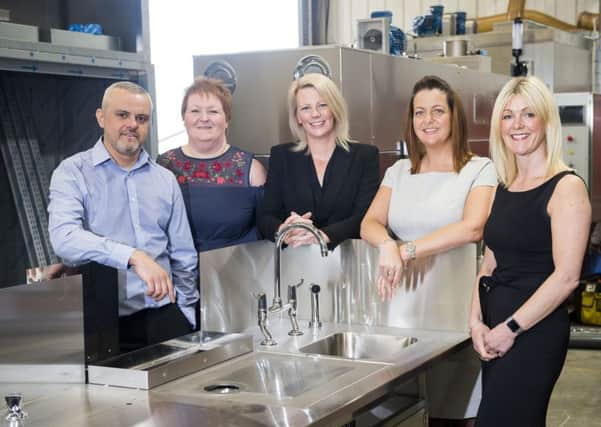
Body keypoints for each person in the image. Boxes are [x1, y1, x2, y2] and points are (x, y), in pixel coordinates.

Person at [361, 75, 497, 426]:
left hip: (455, 306)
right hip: (402, 309)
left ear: (455, 117)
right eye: (419, 112)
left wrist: (406, 250)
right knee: (404, 411)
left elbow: (473, 227)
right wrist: (387, 244)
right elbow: (369, 223)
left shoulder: (480, 169)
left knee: (453, 412)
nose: (428, 120)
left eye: (438, 111)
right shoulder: (399, 171)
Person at [469, 76, 590, 426]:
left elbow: (566, 278)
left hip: (532, 334)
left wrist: (510, 328)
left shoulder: (566, 187)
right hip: (493, 331)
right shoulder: (503, 186)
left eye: (528, 115)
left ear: (546, 121)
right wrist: (475, 321)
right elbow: (488, 264)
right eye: (507, 116)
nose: (517, 125)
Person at [48, 81, 199, 352]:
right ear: (101, 117)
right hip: (102, 323)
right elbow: (65, 239)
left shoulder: (165, 180)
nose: (132, 124)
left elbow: (184, 256)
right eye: (122, 115)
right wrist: (133, 256)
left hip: (164, 317)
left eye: (141, 118)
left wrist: (186, 312)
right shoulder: (72, 173)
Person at [259, 73, 379, 250]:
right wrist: (284, 230)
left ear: (335, 109)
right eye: (305, 108)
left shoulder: (364, 156)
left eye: (322, 105)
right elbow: (265, 217)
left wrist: (322, 235)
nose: (315, 114)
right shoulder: (281, 156)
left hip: (350, 262)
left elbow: (366, 217)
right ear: (298, 117)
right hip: (296, 264)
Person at [157, 77, 267, 252]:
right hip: (175, 273)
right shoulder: (163, 166)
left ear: (227, 119)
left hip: (236, 273)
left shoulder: (252, 170)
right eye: (194, 111)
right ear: (183, 118)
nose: (204, 118)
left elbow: (266, 235)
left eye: (213, 111)